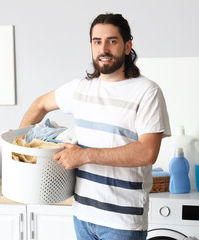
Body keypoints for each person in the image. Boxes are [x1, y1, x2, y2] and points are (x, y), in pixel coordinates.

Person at [19, 13, 171, 240]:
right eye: (96, 41)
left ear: (127, 46)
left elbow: (148, 152)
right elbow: (39, 104)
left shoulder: (147, 92)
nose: (104, 49)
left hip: (122, 222)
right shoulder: (80, 89)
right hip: (83, 216)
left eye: (112, 41)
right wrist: (20, 146)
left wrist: (84, 156)